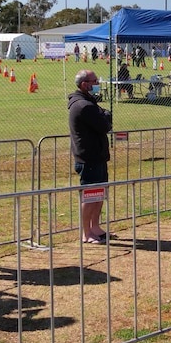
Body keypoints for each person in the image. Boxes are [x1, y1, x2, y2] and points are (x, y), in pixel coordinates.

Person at [68, 70, 112, 244]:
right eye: (94, 81)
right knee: (90, 195)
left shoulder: (89, 102)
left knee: (100, 194)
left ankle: (95, 226)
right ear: (85, 84)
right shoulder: (82, 105)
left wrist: (105, 115)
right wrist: (105, 116)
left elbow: (104, 117)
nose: (97, 83)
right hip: (89, 158)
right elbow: (104, 124)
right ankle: (86, 233)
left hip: (98, 156)